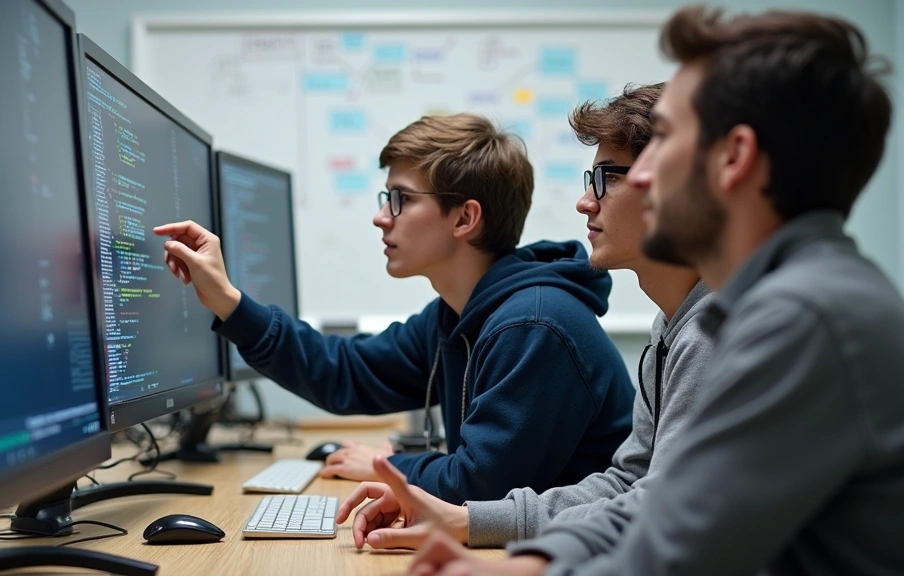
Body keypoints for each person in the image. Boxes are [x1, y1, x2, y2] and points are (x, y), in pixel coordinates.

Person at [406, 6, 904, 575]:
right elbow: (650, 499)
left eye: (664, 140)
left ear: (734, 158)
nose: (641, 175)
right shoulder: (763, 302)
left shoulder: (804, 317)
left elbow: (679, 553)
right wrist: (527, 558)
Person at [153, 113, 634, 504]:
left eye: (400, 199)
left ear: (464, 218)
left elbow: (481, 487)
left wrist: (387, 466)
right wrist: (228, 302)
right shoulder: (457, 315)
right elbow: (348, 371)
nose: (381, 217)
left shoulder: (534, 325)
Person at [335, 83, 718, 551]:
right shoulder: (670, 328)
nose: (585, 201)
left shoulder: (709, 334)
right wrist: (467, 522)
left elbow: (659, 509)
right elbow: (627, 483)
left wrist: (405, 475)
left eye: (607, 178)